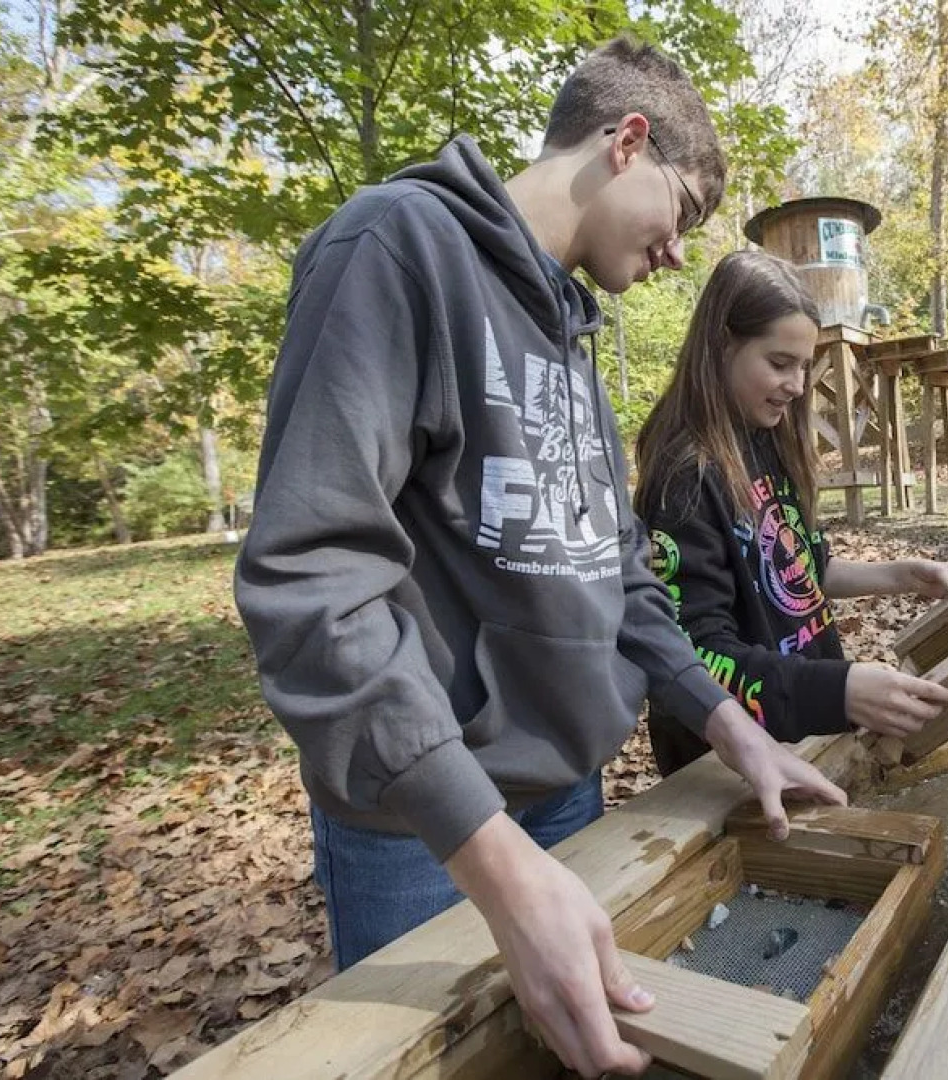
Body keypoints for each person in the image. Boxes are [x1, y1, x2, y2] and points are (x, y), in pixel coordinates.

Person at [232, 38, 844, 1079]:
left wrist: (729, 722)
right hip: (424, 822)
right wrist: (497, 864)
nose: (676, 253)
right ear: (627, 142)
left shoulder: (568, 330)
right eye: (681, 213)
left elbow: (617, 571)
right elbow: (312, 575)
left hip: (565, 787)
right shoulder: (395, 247)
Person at [633, 251, 948, 776]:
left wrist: (905, 576)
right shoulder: (684, 478)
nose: (796, 385)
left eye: (804, 365)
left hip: (802, 736)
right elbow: (695, 655)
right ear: (722, 345)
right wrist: (838, 689)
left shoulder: (767, 436)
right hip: (726, 766)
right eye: (779, 363)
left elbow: (802, 573)